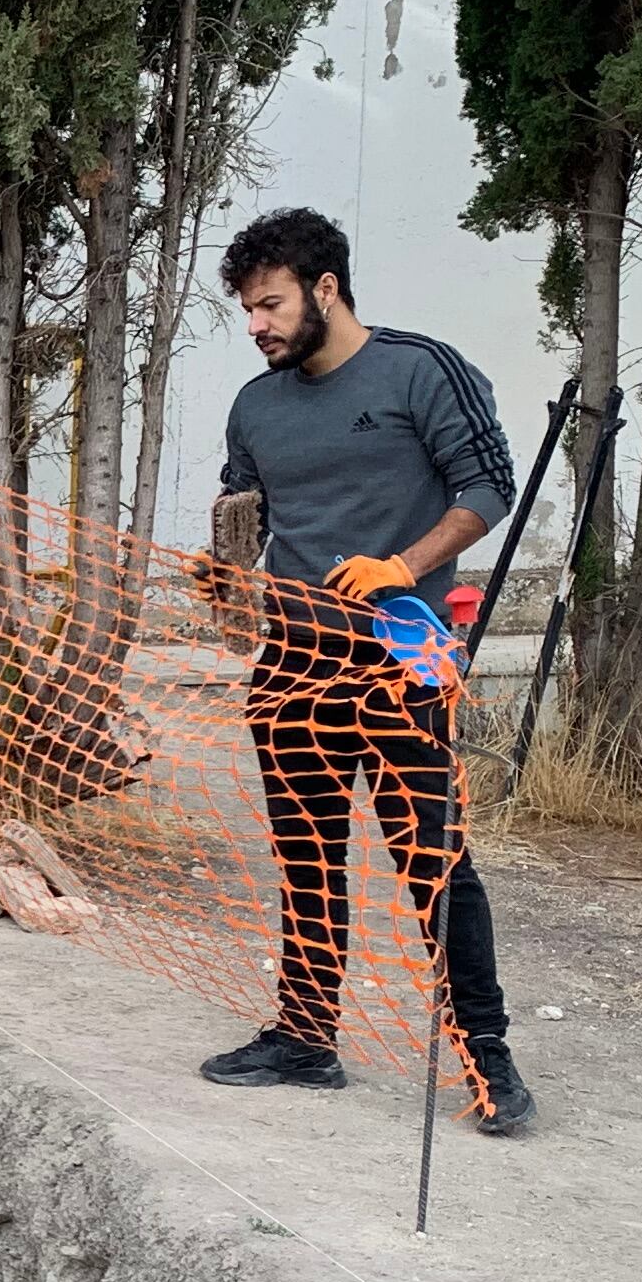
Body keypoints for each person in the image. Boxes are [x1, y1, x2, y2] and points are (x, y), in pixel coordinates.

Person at [199, 206, 535, 1136]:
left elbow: (489, 486)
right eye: (248, 311)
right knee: (306, 856)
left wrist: (406, 563)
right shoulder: (255, 404)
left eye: (270, 304)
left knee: (432, 860)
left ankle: (487, 1058)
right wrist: (224, 580)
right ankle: (305, 1039)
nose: (257, 325)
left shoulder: (420, 370)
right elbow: (244, 518)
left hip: (402, 651)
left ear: (326, 288)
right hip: (292, 658)